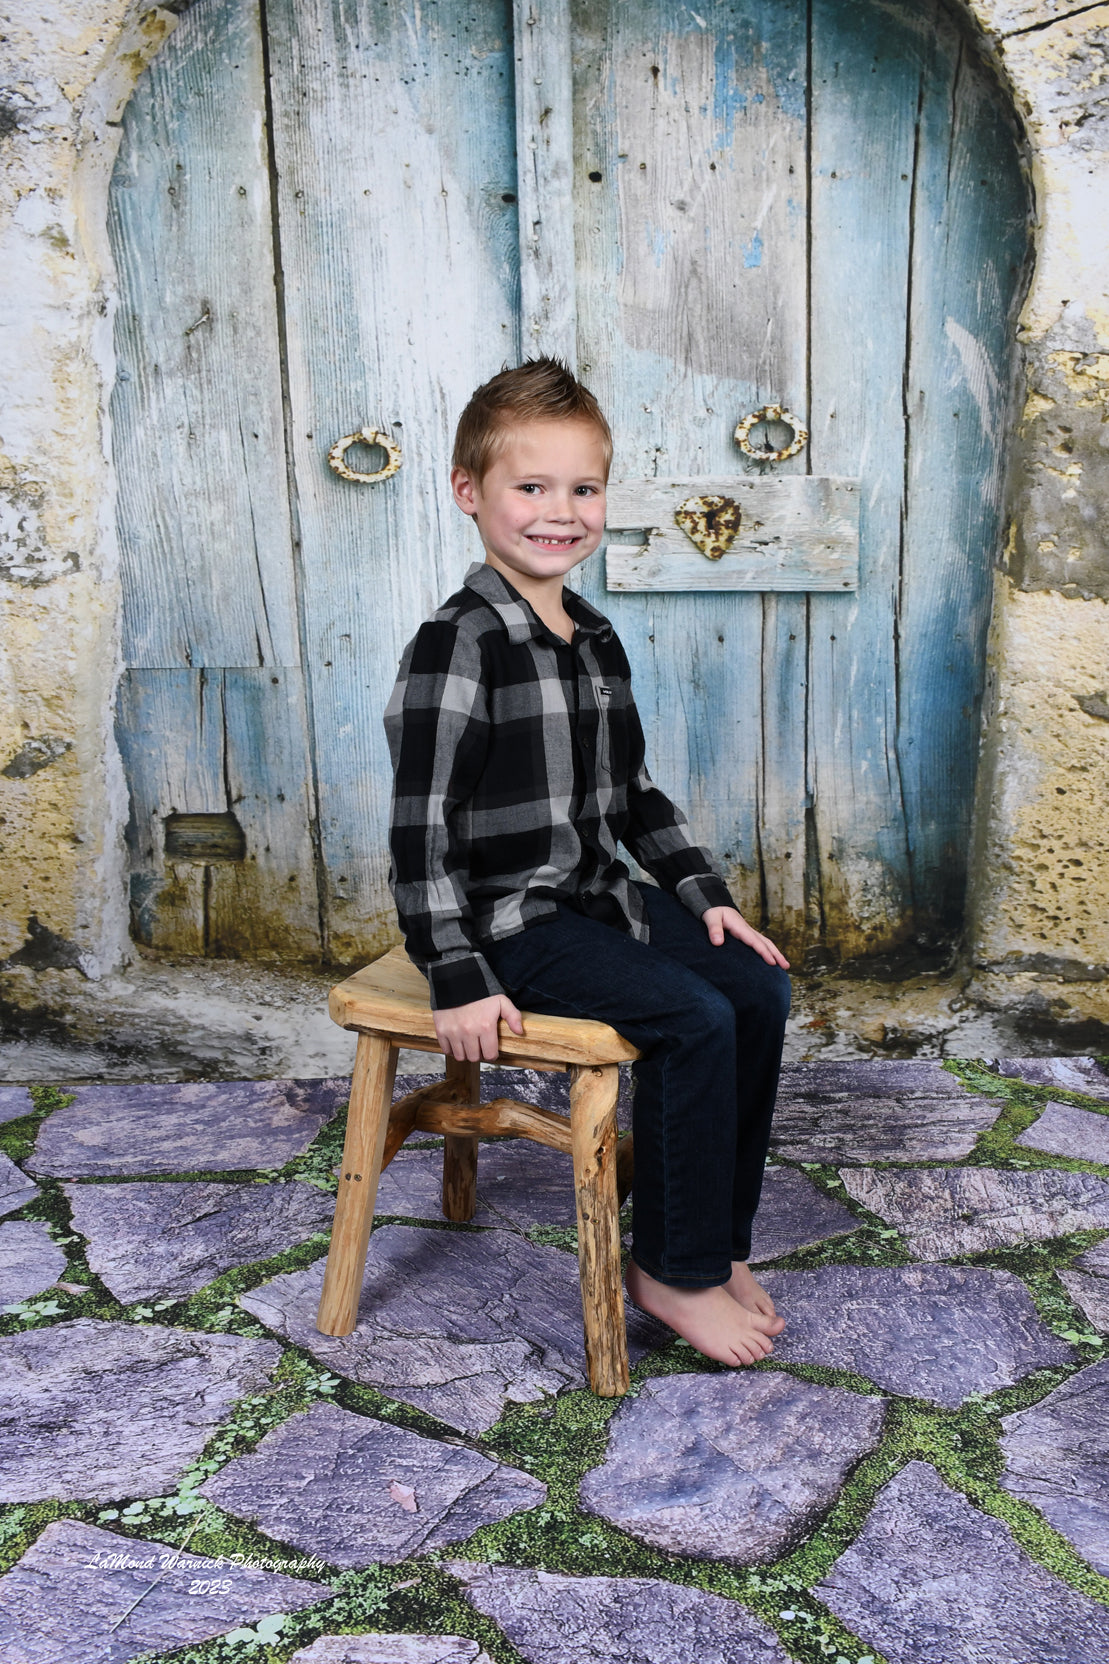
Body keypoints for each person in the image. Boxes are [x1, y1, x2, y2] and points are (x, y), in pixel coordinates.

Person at [385, 358, 791, 1367]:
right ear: (468, 491)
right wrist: (454, 973)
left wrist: (705, 897)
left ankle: (702, 1236)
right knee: (688, 1020)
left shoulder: (593, 636)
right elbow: (417, 827)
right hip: (508, 922)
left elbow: (633, 798)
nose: (558, 512)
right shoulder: (457, 645)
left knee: (749, 986)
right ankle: (670, 1269)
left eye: (582, 488)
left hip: (592, 898)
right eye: (531, 487)